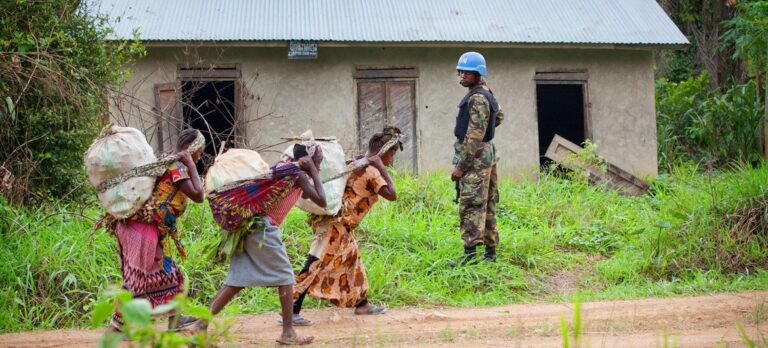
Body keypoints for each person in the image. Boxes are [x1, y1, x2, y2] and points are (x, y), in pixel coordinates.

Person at [188, 142, 326, 346]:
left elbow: (306, 194)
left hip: (250, 226)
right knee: (286, 277)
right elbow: (322, 200)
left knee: (236, 281)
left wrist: (312, 172)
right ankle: (288, 332)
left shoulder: (285, 169)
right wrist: (313, 171)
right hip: (263, 229)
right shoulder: (297, 175)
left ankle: (199, 326)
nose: (319, 166)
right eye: (318, 162)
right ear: (308, 160)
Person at [291, 128, 402, 326]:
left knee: (352, 260)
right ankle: (290, 310)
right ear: (383, 152)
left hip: (340, 224)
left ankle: (362, 304)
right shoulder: (372, 171)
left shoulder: (355, 162)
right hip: (336, 226)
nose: (392, 159)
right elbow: (392, 195)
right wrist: (381, 167)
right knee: (315, 263)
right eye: (392, 153)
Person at [106, 129, 206, 331]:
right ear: (191, 149)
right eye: (200, 152)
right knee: (138, 276)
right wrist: (192, 166)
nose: (200, 156)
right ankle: (118, 325)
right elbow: (198, 195)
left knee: (171, 275)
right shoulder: (177, 166)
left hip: (145, 228)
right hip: (143, 228)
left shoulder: (166, 158)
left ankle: (175, 320)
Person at [451, 51, 504, 266]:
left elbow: (473, 136)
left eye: (467, 72)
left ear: (478, 73)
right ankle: (490, 254)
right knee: (488, 202)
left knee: (471, 203)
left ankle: (470, 255)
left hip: (475, 156)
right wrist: (485, 131)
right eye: (460, 71)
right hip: (486, 154)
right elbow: (499, 117)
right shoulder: (486, 93)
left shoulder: (479, 98)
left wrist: (461, 166)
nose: (462, 75)